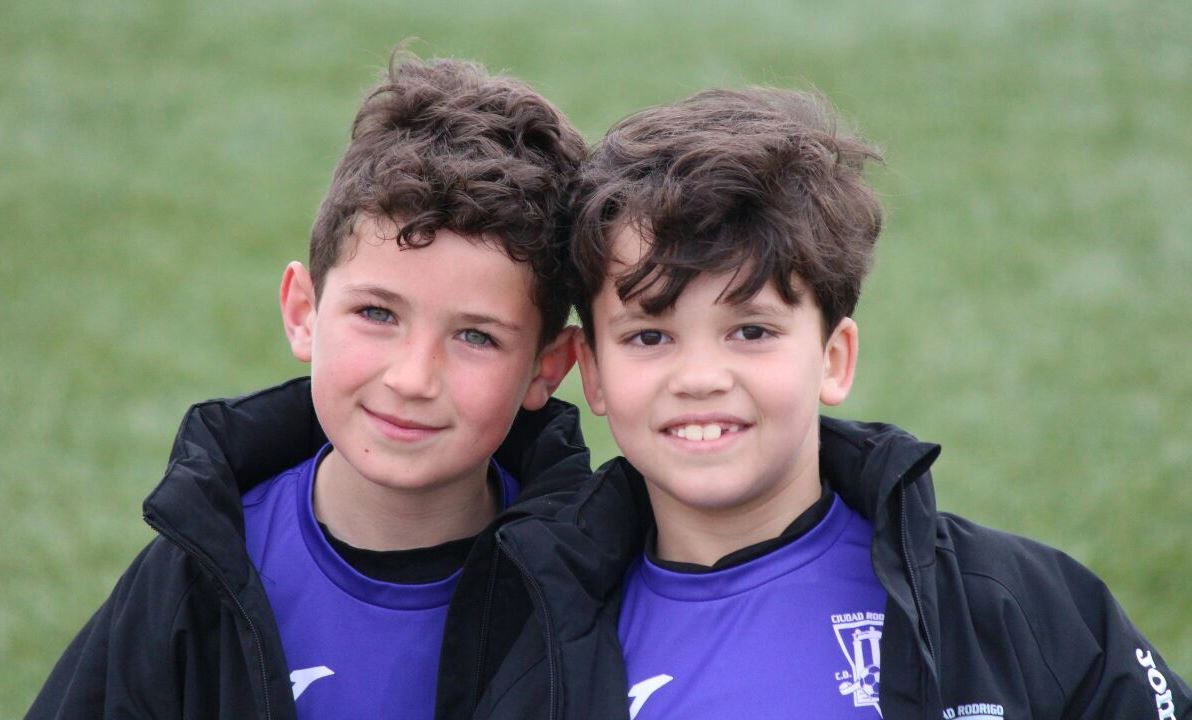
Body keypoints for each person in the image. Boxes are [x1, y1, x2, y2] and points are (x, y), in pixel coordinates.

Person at [449, 86, 1192, 718]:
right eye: (650, 336)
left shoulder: (1012, 605)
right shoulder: (534, 638)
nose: (699, 377)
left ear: (834, 359)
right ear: (593, 373)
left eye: (751, 330)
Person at [28, 52, 589, 719]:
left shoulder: (584, 587)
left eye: (475, 336)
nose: (413, 379)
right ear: (303, 312)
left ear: (547, 368)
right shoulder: (198, 573)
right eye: (377, 314)